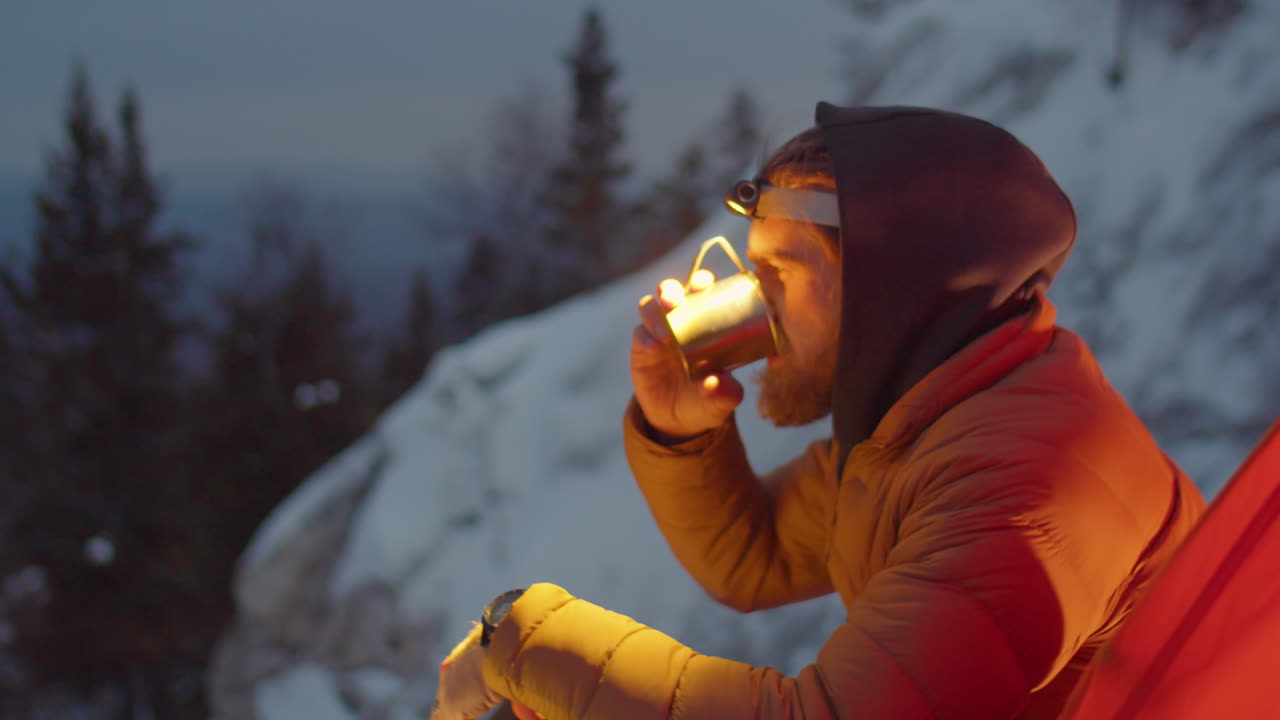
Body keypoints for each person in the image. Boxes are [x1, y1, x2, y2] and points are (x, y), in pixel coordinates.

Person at [431, 101, 1206, 719]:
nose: (752, 306)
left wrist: (524, 636)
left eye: (777, 270)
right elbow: (757, 556)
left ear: (887, 285)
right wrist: (680, 432)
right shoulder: (929, 419)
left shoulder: (1025, 486)